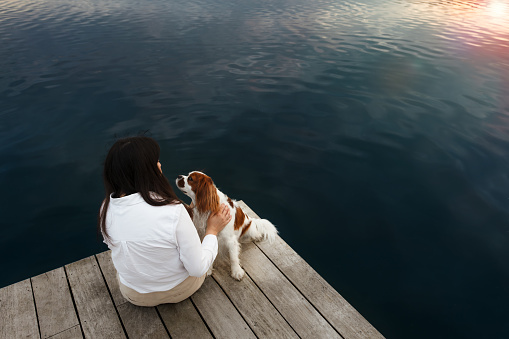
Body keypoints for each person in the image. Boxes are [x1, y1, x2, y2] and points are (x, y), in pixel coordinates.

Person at [98, 136, 231, 306]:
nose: (160, 164)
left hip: (133, 294)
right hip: (179, 290)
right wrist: (212, 231)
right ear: (144, 171)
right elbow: (197, 268)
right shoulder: (173, 211)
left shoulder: (106, 208)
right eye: (155, 162)